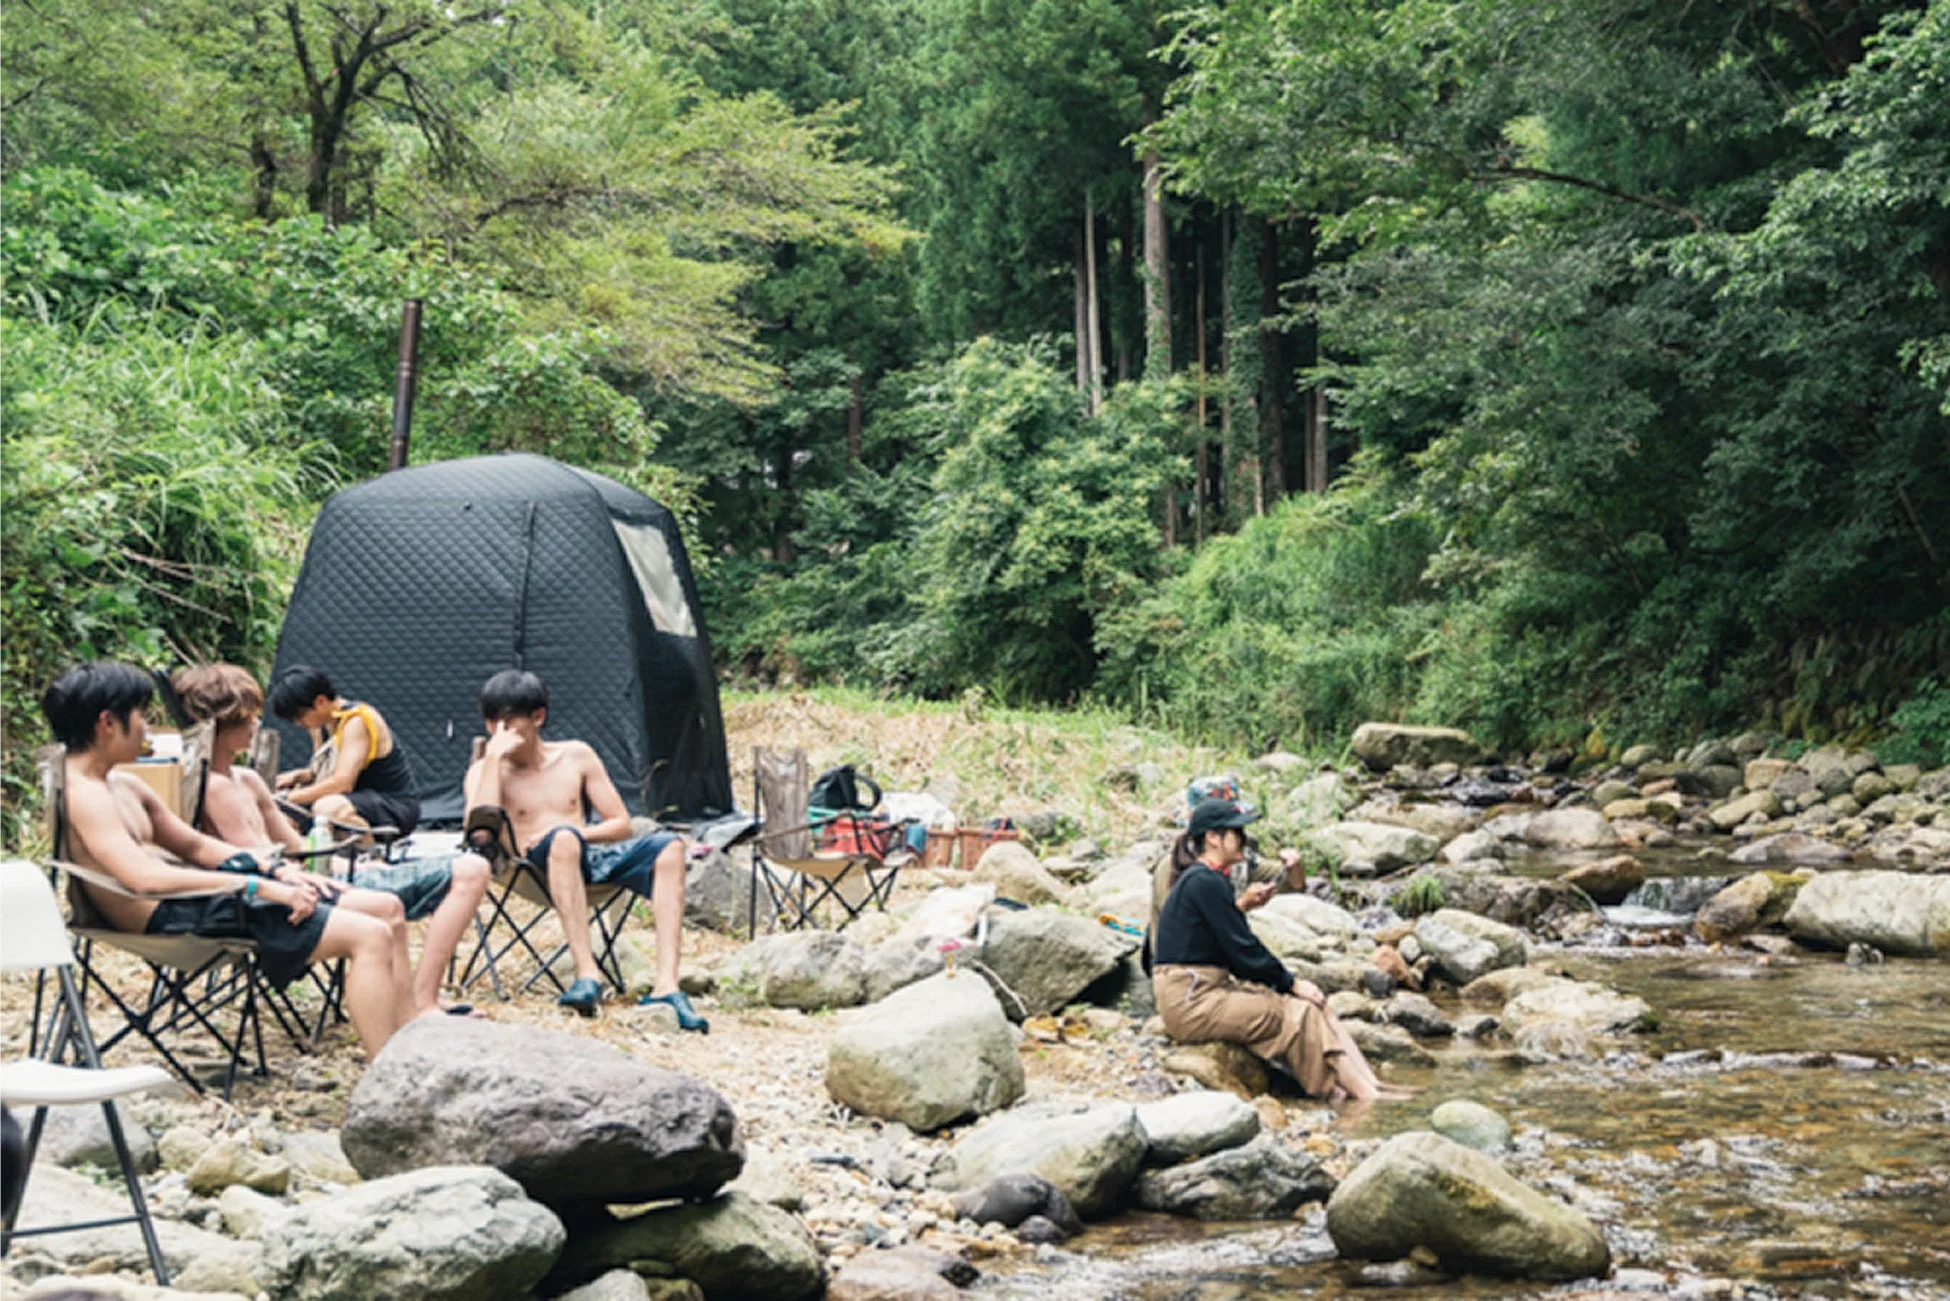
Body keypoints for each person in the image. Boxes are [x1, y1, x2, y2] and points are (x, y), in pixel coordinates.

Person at [42, 662, 411, 1057]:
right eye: (142, 716)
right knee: (369, 935)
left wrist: (276, 869)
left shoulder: (122, 783)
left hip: (199, 900)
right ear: (107, 723)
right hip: (170, 916)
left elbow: (198, 847)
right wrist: (257, 885)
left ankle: (410, 1036)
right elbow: (143, 878)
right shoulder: (86, 794)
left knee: (382, 909)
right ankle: (386, 1071)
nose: (149, 727)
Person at [173, 663, 490, 1017]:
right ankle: (419, 1007)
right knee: (469, 870)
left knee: (470, 868)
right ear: (224, 723)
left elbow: (296, 846)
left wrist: (351, 860)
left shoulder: (246, 779)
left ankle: (418, 1004)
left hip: (327, 868)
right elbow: (256, 864)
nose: (256, 725)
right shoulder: (215, 788)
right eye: (248, 718)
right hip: (293, 894)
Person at [462, 669, 706, 1028]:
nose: (501, 731)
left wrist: (579, 833)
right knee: (562, 840)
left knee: (668, 846)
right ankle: (586, 973)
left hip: (586, 854)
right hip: (530, 869)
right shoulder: (485, 771)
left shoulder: (576, 756)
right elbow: (479, 834)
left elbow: (620, 823)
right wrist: (494, 762)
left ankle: (667, 984)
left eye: (510, 720)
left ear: (538, 717)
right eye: (493, 722)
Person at [1150, 797, 1404, 1103]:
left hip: (1201, 991)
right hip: (1192, 1000)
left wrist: (1285, 983)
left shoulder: (1206, 880)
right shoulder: (1205, 882)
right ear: (1213, 838)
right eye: (1237, 832)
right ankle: (1356, 1096)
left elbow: (1230, 946)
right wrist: (1291, 983)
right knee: (1299, 1013)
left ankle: (1370, 1084)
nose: (1244, 838)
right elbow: (1244, 949)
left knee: (1316, 1004)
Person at [267, 665, 418, 839]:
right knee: (283, 817)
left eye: (300, 716)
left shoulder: (356, 720)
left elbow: (342, 782)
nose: (298, 723)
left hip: (391, 805)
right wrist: (299, 776)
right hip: (351, 799)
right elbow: (322, 772)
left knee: (327, 809)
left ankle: (371, 858)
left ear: (321, 701)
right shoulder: (319, 726)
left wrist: (287, 798)